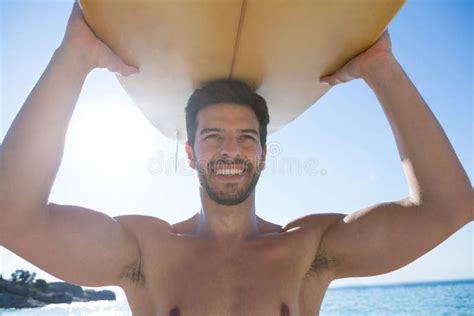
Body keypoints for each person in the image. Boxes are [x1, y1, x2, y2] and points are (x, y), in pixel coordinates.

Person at [0, 2, 472, 316]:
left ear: (264, 155)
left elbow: (450, 207)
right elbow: (10, 216)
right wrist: (74, 56)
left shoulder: (308, 250)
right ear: (189, 153)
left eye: (247, 137)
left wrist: (381, 69)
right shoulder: (146, 252)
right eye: (212, 137)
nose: (231, 149)